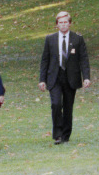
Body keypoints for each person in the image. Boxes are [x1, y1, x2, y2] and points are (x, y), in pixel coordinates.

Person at [38, 11, 91, 145]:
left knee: (68, 107)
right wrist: (42, 79)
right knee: (56, 104)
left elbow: (83, 59)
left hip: (71, 77)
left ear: (70, 23)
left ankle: (66, 135)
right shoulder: (50, 39)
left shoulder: (77, 39)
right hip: (54, 77)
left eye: (65, 22)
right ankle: (57, 135)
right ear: (57, 25)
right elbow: (45, 60)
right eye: (60, 22)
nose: (63, 25)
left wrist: (86, 77)